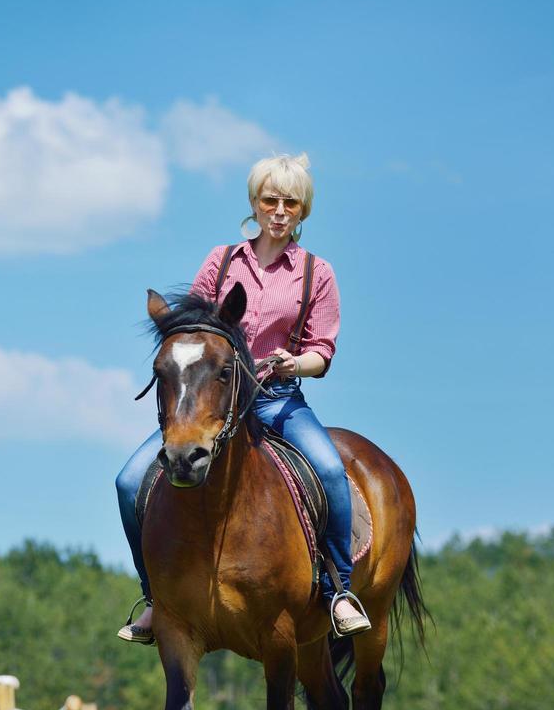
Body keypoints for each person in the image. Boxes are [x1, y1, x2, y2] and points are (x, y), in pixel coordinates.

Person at [116, 153, 371, 644]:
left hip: (277, 397)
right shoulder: (222, 259)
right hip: (211, 401)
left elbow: (323, 349)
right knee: (128, 482)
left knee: (332, 471)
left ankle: (339, 590)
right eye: (269, 199)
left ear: (303, 211)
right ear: (254, 204)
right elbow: (190, 326)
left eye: (290, 202)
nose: (278, 210)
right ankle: (155, 598)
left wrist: (295, 362)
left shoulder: (318, 274)